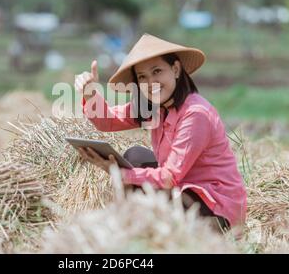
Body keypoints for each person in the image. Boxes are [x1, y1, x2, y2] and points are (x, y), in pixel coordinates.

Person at [74, 33, 247, 232]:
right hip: (181, 190)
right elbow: (108, 122)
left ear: (175, 69)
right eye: (142, 77)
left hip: (215, 208)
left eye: (157, 71)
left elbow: (169, 177)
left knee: (135, 179)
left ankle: (133, 227)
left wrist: (122, 174)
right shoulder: (154, 107)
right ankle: (130, 225)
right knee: (135, 156)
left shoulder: (196, 114)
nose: (150, 82)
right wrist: (90, 93)